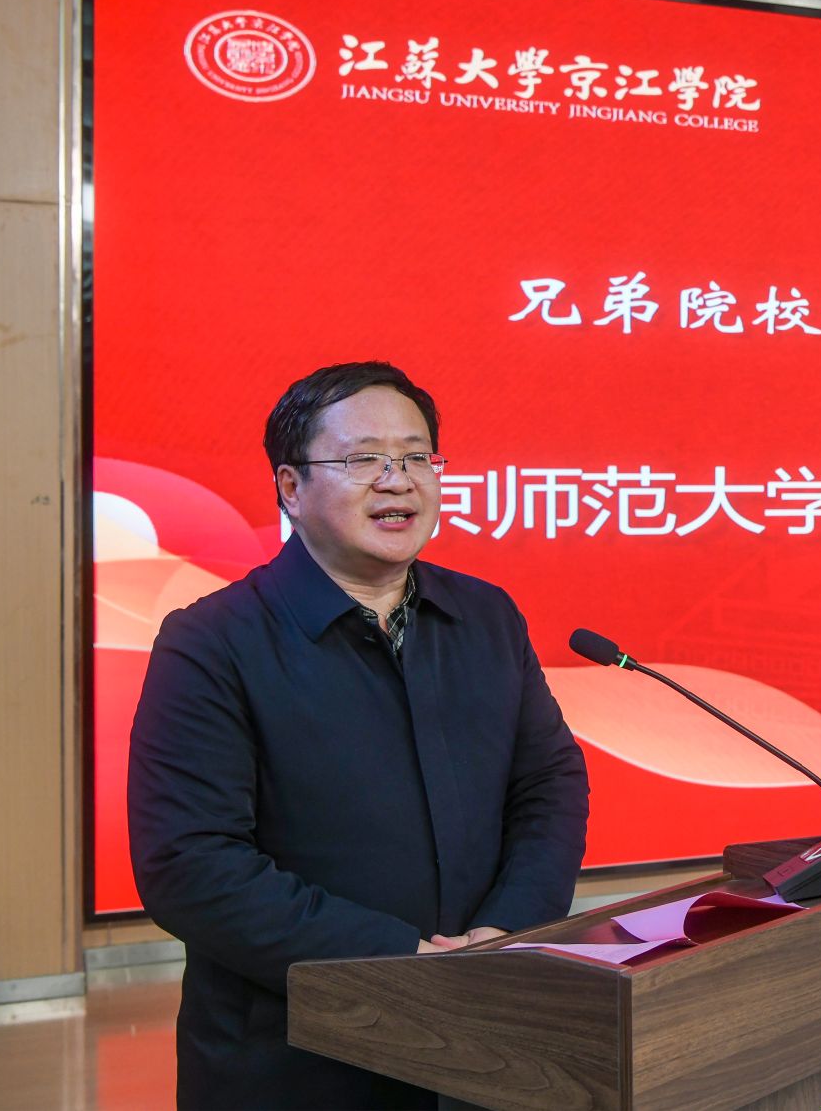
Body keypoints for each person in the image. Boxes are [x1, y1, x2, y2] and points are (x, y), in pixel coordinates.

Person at [128, 362, 590, 1110]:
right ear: (290, 486)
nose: (396, 480)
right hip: (296, 1056)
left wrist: (509, 931)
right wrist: (402, 959)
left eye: (415, 456)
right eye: (362, 458)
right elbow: (190, 864)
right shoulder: (212, 642)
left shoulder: (486, 616)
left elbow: (548, 784)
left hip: (486, 1031)